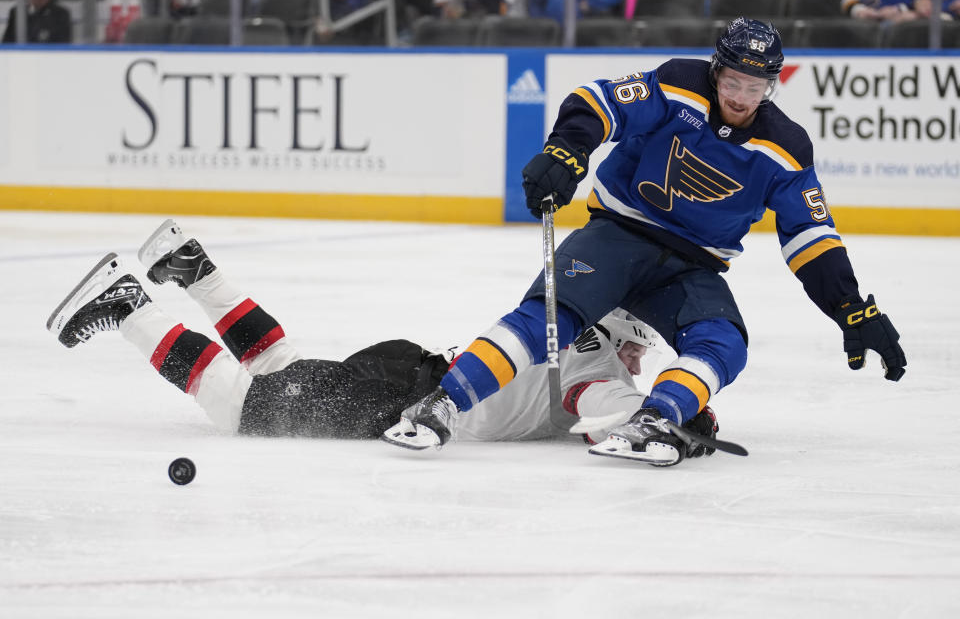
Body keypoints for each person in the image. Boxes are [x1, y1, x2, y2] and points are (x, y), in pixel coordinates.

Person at [383, 17, 907, 467]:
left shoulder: (787, 149)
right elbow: (600, 101)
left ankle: (655, 419)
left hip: (689, 267)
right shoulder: (677, 84)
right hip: (617, 235)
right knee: (549, 314)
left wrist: (850, 307)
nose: (741, 96)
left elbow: (812, 237)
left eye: (756, 85)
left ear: (771, 85)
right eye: (733, 79)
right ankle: (441, 405)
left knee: (725, 342)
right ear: (715, 69)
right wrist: (568, 150)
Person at [47, 220, 712, 448]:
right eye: (641, 340)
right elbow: (609, 417)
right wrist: (675, 417)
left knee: (285, 366)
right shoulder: (601, 373)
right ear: (620, 322)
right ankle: (129, 303)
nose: (640, 354)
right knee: (247, 408)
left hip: (410, 364)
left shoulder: (564, 321)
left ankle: (191, 265)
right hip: (401, 400)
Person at [1, 0, 72, 44]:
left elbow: (62, 46)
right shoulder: (17, 13)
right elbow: (7, 43)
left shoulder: (60, 14)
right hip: (20, 56)